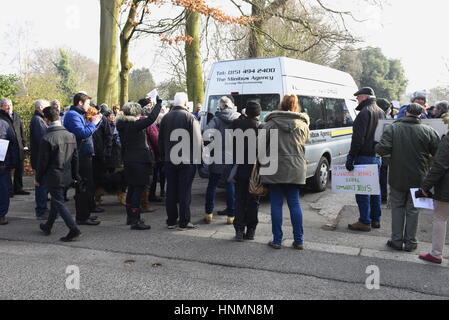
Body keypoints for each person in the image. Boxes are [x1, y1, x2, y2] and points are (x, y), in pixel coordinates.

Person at [375, 103, 440, 252]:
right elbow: (438, 153)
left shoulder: (393, 128)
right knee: (414, 210)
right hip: (419, 178)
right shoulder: (429, 131)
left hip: (397, 176)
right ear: (421, 115)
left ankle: (396, 241)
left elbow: (382, 149)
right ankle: (411, 243)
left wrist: (377, 146)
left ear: (406, 113)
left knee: (397, 207)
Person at [261, 95, 310, 250]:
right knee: (294, 203)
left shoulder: (270, 123)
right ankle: (299, 240)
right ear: (296, 106)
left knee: (276, 204)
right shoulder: (303, 125)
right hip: (295, 168)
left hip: (275, 168)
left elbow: (261, 145)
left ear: (281, 105)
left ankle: (277, 240)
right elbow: (305, 143)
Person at [36, 107, 82, 242]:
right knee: (57, 201)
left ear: (46, 119)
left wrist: (38, 178)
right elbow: (75, 158)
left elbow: (42, 163)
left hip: (54, 175)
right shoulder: (70, 135)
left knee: (58, 202)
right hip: (67, 175)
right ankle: (48, 225)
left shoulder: (47, 138)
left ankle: (73, 229)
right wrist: (75, 175)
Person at [158, 92, 202, 230]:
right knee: (185, 191)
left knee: (171, 190)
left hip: (169, 159)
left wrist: (163, 155)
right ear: (185, 103)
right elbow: (197, 141)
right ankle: (184, 221)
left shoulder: (165, 118)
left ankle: (171, 220)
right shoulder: (190, 118)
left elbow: (160, 140)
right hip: (186, 160)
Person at [116, 100, 162, 230]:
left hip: (129, 161)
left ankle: (130, 217)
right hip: (139, 162)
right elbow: (152, 118)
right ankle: (136, 219)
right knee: (138, 189)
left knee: (131, 188)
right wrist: (159, 104)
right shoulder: (134, 125)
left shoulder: (122, 124)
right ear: (135, 114)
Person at [346, 87, 386, 232]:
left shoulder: (364, 113)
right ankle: (376, 219)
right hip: (377, 156)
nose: (357, 100)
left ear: (364, 97)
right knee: (375, 190)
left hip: (364, 157)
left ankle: (364, 221)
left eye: (358, 97)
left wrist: (351, 156)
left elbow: (358, 138)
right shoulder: (381, 111)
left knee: (363, 191)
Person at [63, 92, 102, 226]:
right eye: (87, 103)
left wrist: (96, 122)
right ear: (80, 103)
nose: (89, 106)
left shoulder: (78, 115)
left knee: (87, 185)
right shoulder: (72, 115)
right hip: (80, 156)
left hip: (85, 154)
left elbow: (88, 131)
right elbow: (82, 133)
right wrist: (94, 123)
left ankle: (86, 214)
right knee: (82, 186)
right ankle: (82, 217)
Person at [203, 96, 240, 225]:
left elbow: (206, 133)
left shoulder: (216, 119)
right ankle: (231, 215)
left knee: (212, 185)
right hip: (232, 157)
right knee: (230, 185)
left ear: (221, 106)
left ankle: (208, 213)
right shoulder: (238, 118)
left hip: (217, 157)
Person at [418, 116, 449, 263]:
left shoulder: (448, 139)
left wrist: (425, 186)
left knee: (440, 218)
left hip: (446, 187)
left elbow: (439, 166)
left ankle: (436, 254)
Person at [231, 101, 262, 241]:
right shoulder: (261, 127)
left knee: (240, 200)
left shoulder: (237, 124)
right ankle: (251, 231)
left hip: (240, 168)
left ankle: (238, 230)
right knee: (253, 200)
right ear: (258, 113)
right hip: (255, 170)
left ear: (246, 112)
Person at [0, 98, 29, 196]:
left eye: (10, 105)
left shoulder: (16, 116)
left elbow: (21, 130)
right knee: (7, 170)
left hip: (19, 146)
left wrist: (24, 144)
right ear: (1, 107)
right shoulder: (1, 117)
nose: (9, 107)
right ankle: (9, 190)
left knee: (19, 168)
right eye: (6, 105)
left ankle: (18, 188)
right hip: (7, 147)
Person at [30, 99, 50, 220]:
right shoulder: (38, 120)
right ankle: (41, 210)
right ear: (41, 108)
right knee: (41, 185)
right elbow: (42, 139)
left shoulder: (39, 120)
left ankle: (43, 209)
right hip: (40, 159)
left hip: (40, 158)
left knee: (43, 185)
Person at [92, 103, 113, 211]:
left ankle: (96, 200)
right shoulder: (85, 118)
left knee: (98, 178)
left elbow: (108, 136)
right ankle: (93, 201)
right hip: (92, 154)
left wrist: (106, 152)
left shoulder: (102, 119)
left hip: (100, 154)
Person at [0, 113, 18, 225]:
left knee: (3, 190)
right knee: (3, 189)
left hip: (3, 164)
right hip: (3, 164)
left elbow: (13, 144)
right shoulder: (4, 124)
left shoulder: (4, 124)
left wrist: (12, 162)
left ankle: (1, 215)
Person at [376, 98, 392, 204]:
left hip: (379, 151)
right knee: (383, 176)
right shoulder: (386, 119)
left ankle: (381, 197)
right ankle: (383, 197)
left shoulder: (376, 117)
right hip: (384, 152)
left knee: (381, 176)